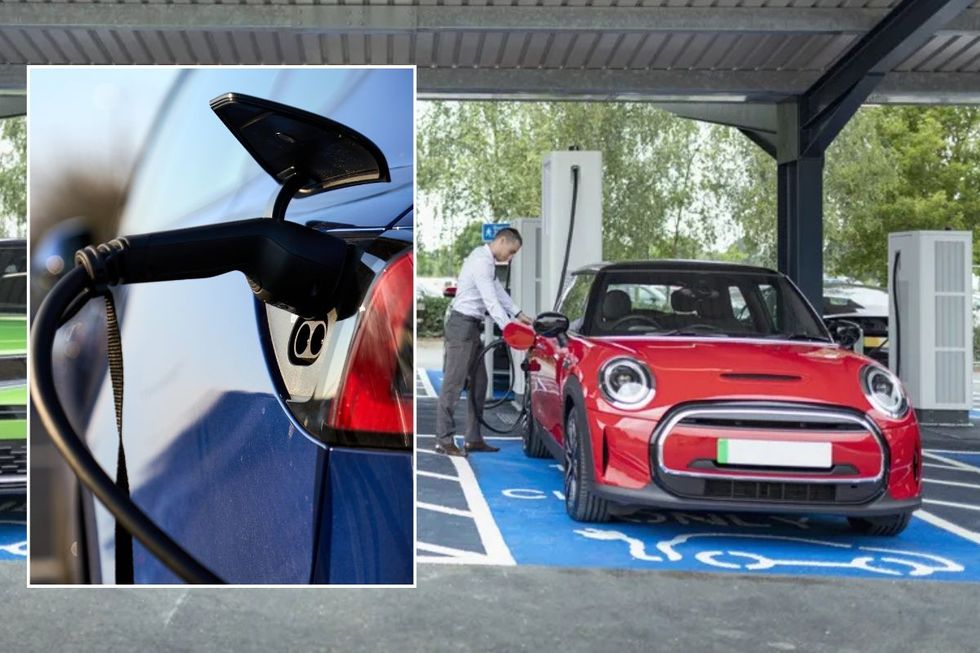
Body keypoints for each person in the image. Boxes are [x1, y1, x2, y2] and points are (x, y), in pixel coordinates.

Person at [436, 228, 533, 456]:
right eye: (510, 252)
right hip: (462, 326)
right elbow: (490, 300)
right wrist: (509, 327)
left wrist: (518, 314)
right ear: (501, 241)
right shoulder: (481, 261)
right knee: (453, 384)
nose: (509, 258)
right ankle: (444, 440)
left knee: (480, 383)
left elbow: (498, 292)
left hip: (471, 326)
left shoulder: (487, 263)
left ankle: (473, 438)